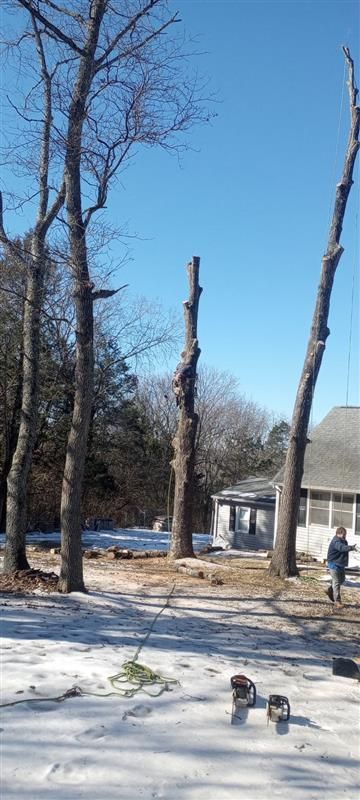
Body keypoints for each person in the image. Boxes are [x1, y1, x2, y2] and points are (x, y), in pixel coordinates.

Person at [326, 526, 357, 607]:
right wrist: (350, 548)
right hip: (333, 564)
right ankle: (337, 601)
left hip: (340, 564)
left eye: (345, 535)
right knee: (336, 582)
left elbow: (344, 547)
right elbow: (341, 548)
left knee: (342, 580)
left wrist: (351, 547)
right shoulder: (336, 541)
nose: (344, 536)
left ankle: (330, 589)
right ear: (338, 534)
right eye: (343, 535)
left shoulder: (344, 541)